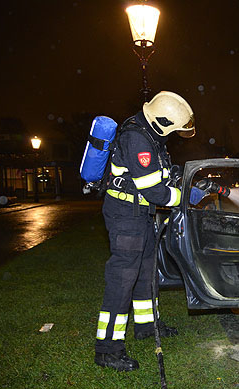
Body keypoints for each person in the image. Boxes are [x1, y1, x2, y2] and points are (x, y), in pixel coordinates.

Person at [94, 91, 196, 372]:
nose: (173, 135)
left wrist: (177, 180)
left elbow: (159, 176)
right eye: (173, 130)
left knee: (146, 272)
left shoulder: (151, 136)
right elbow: (153, 191)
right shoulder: (137, 138)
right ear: (162, 122)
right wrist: (185, 198)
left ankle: (146, 326)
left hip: (140, 215)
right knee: (122, 280)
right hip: (126, 215)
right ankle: (107, 349)